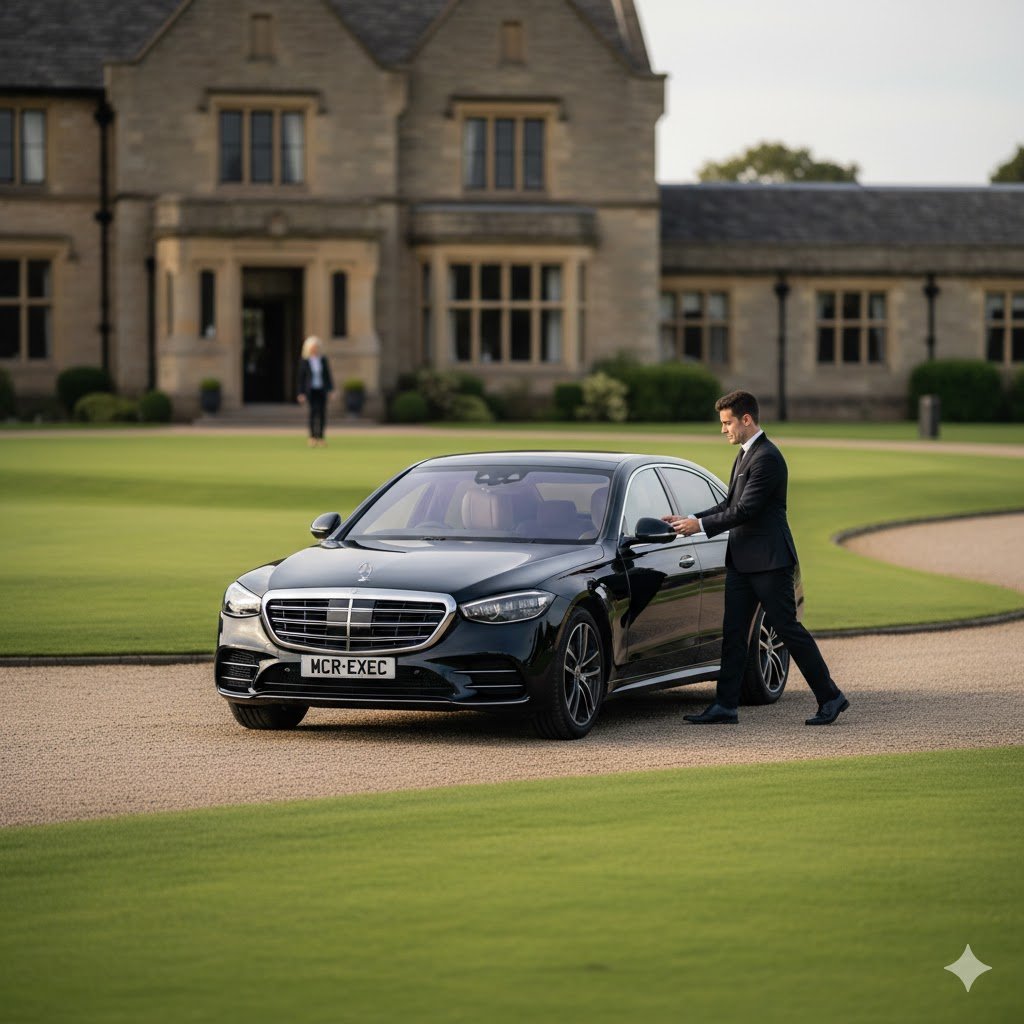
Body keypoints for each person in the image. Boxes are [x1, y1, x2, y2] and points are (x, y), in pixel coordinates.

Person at [664, 389, 850, 726]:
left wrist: (699, 527)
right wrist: (688, 519)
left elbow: (746, 510)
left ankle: (830, 697)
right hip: (742, 562)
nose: (723, 429)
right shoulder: (745, 454)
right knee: (734, 632)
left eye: (727, 423)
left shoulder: (767, 458)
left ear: (746, 419)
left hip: (769, 562)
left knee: (788, 630)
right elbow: (729, 504)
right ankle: (725, 706)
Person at [297, 336, 336, 447]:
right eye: (312, 347)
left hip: (321, 390)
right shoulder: (305, 361)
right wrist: (301, 393)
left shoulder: (322, 360)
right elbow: (301, 378)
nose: (314, 349)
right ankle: (312, 437)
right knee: (313, 413)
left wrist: (331, 390)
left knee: (322, 413)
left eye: (316, 347)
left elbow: (327, 376)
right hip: (311, 390)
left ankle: (321, 437)